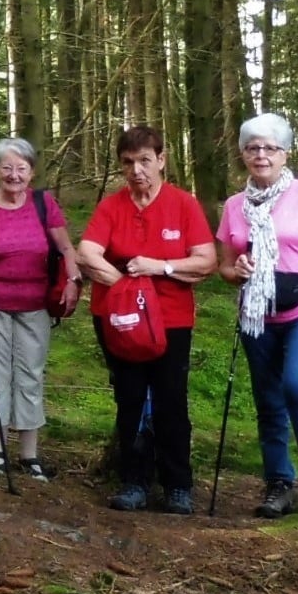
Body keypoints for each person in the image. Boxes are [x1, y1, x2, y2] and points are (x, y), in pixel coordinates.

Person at [77, 126, 216, 514]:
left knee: (172, 400)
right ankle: (134, 481)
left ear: (161, 159)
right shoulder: (112, 206)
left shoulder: (183, 205)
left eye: (144, 160)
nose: (136, 170)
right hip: (119, 319)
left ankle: (177, 485)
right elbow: (87, 253)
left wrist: (161, 266)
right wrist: (126, 287)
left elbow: (205, 261)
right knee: (130, 398)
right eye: (127, 162)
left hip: (171, 320)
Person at [215, 113, 298, 519]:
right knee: (267, 400)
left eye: (270, 148)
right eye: (253, 147)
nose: (261, 155)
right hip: (256, 315)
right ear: (243, 154)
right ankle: (278, 484)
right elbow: (226, 267)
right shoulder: (234, 205)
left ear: (286, 153)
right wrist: (239, 271)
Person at [0, 137, 80, 480]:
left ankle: (29, 455)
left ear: (31, 172)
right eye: (6, 168)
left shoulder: (43, 204)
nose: (14, 175)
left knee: (30, 374)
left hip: (36, 305)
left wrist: (74, 281)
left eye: (21, 169)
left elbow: (65, 247)